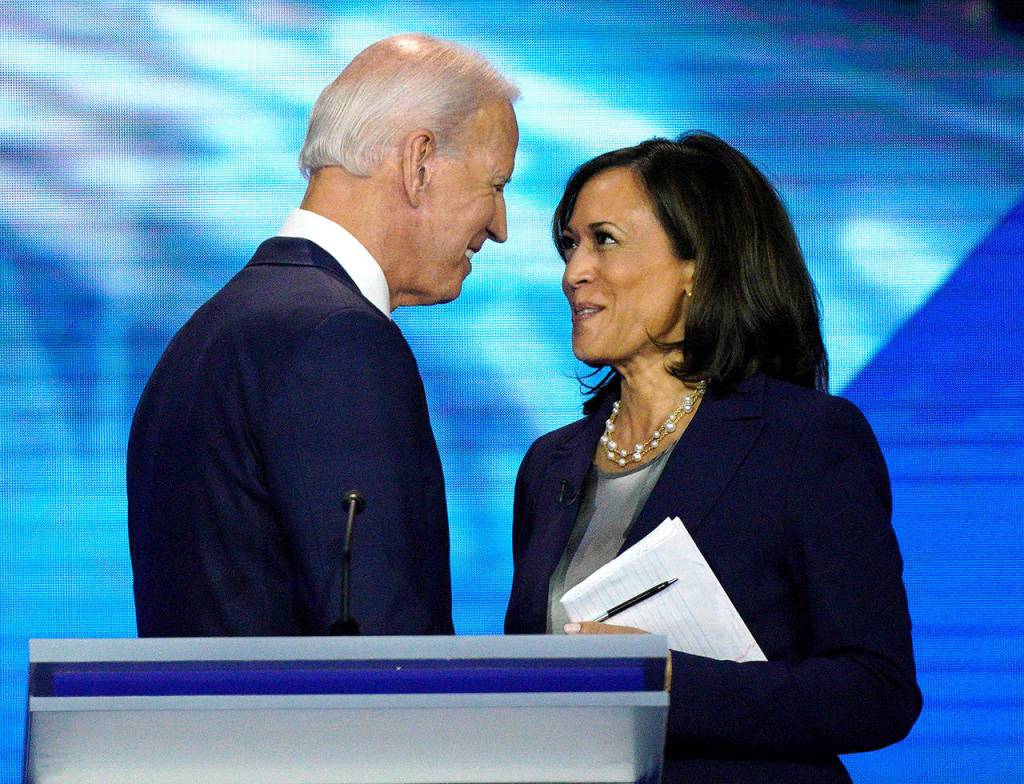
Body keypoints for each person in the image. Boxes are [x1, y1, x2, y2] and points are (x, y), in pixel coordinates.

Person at [504, 134, 921, 782]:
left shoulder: (806, 440)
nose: (573, 272)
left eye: (604, 240)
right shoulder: (549, 464)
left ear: (697, 267)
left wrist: (668, 681)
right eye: (570, 245)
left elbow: (876, 691)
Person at [128, 34, 519, 636]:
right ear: (418, 164)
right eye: (495, 184)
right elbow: (380, 647)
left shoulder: (209, 333)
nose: (500, 226)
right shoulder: (339, 341)